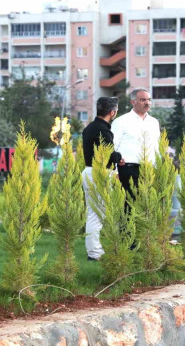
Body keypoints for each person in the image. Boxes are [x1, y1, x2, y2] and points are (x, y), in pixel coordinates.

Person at [81, 97, 123, 261]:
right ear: (112, 112)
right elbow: (108, 154)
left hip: (90, 171)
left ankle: (94, 251)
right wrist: (118, 156)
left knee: (93, 213)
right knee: (97, 214)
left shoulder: (90, 127)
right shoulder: (103, 130)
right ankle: (95, 253)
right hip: (99, 173)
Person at [111, 88, 160, 200]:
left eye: (149, 100)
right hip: (128, 171)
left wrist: (158, 170)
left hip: (149, 171)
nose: (147, 103)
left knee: (147, 210)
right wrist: (114, 172)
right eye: (143, 100)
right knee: (128, 209)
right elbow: (112, 147)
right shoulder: (121, 122)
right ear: (133, 102)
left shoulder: (154, 122)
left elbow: (156, 148)